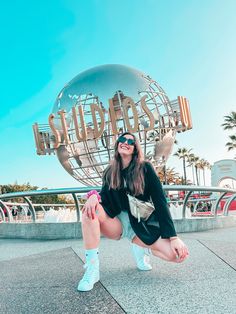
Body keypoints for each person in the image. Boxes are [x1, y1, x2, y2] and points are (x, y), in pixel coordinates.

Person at [77, 132, 189, 292]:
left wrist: (173, 237)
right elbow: (104, 197)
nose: (126, 142)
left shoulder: (145, 168)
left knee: (177, 256)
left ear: (135, 148)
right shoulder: (109, 171)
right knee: (89, 211)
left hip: (140, 223)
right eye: (122, 139)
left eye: (131, 141)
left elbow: (160, 201)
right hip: (116, 223)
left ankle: (145, 247)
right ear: (117, 145)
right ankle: (92, 270)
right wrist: (93, 197)